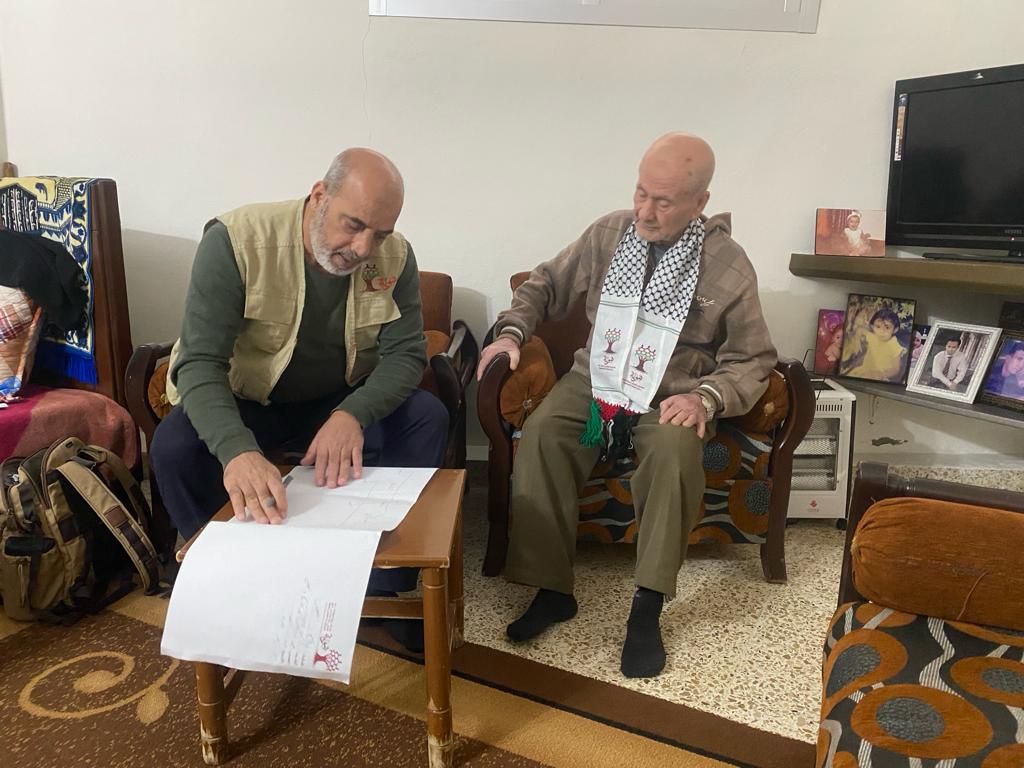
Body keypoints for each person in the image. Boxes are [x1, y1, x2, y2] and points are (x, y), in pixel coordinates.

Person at [476, 133, 776, 678]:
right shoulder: (610, 233)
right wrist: (512, 332)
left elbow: (752, 359)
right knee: (543, 434)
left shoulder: (729, 266)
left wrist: (706, 397)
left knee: (676, 452)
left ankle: (647, 604)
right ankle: (551, 590)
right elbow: (543, 285)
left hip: (672, 393)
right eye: (641, 193)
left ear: (700, 203)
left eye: (663, 201)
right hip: (595, 380)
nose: (644, 211)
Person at [150, 148, 448, 650]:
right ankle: (234, 578)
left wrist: (352, 414)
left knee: (426, 417)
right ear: (319, 196)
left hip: (335, 400)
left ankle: (381, 589)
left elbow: (405, 355)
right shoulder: (235, 241)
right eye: (353, 225)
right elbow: (199, 363)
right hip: (249, 399)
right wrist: (237, 451)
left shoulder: (396, 256)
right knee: (173, 447)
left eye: (379, 234)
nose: (363, 248)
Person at [843, 306, 905, 382]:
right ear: (872, 326)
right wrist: (856, 341)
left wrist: (880, 374)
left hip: (881, 376)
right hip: (864, 370)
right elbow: (860, 330)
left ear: (895, 330)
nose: (881, 331)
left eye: (887, 327)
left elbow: (896, 369)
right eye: (878, 326)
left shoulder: (894, 345)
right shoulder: (873, 337)